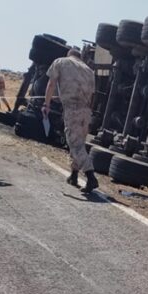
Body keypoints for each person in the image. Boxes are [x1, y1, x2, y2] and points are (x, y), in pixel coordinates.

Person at [43, 47, 98, 193]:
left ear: (69, 55)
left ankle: (91, 176)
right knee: (79, 143)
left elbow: (51, 84)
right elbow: (93, 96)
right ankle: (74, 175)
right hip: (86, 111)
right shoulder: (89, 71)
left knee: (75, 145)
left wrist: (46, 104)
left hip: (72, 109)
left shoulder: (61, 62)